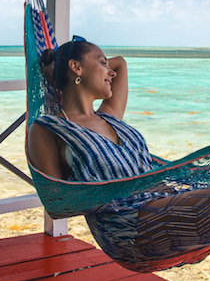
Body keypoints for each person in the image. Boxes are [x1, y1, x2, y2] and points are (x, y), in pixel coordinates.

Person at [27, 37, 155, 182]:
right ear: (76, 67)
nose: (112, 73)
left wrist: (66, 68)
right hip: (127, 204)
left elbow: (120, 62)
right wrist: (67, 68)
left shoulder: (109, 117)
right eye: (102, 62)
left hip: (163, 197)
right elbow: (56, 199)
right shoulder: (47, 128)